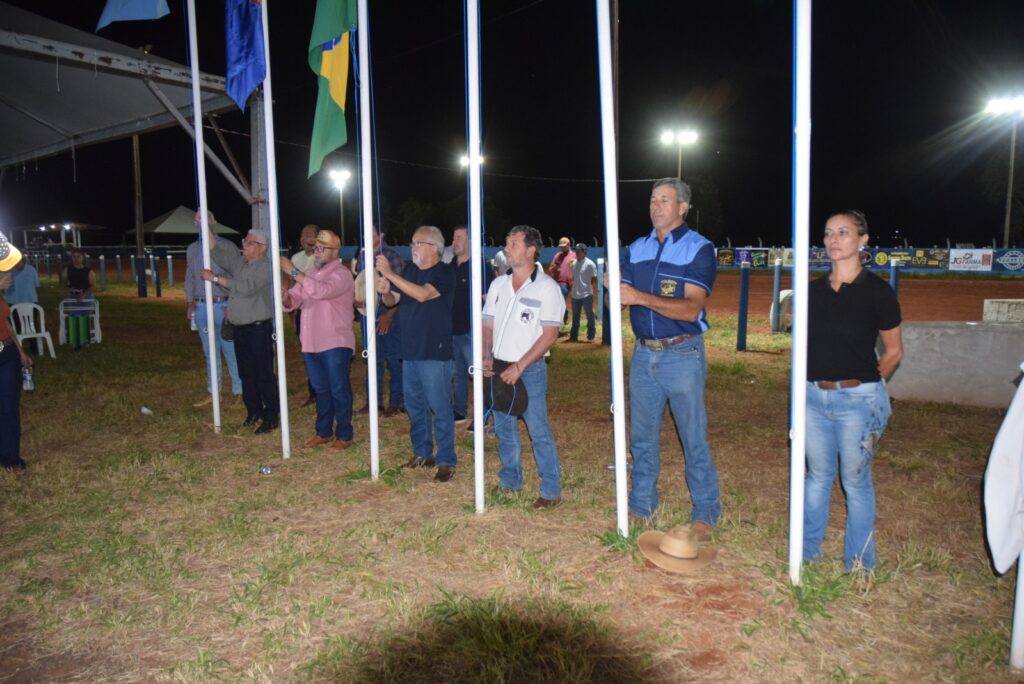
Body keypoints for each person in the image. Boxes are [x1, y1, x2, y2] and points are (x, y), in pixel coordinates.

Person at [804, 210, 903, 572]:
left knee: (855, 481)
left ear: (863, 240)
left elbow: (894, 352)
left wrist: (867, 388)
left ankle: (859, 563)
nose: (834, 239)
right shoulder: (812, 291)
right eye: (829, 232)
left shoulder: (878, 292)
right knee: (816, 477)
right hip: (813, 398)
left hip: (858, 401)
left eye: (844, 232)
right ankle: (806, 554)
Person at [620, 178, 720, 536]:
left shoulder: (699, 248)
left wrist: (638, 296)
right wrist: (612, 292)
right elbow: (621, 295)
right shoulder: (635, 248)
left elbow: (692, 310)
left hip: (682, 353)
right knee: (641, 438)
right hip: (644, 355)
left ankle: (706, 511)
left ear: (682, 208)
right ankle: (642, 504)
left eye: (665, 200)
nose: (656, 205)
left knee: (692, 437)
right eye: (652, 199)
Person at [482, 225, 565, 509]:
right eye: (507, 242)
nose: (507, 248)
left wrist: (520, 365)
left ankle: (551, 490)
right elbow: (487, 324)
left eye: (514, 243)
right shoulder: (497, 285)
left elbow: (550, 334)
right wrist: (485, 356)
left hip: (529, 370)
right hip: (499, 365)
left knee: (537, 430)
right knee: (504, 428)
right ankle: (510, 480)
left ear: (530, 250)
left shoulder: (547, 288)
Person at [375, 226, 457, 482]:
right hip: (410, 350)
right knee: (415, 407)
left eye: (417, 243)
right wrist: (386, 290)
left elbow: (422, 295)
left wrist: (390, 273)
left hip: (434, 351)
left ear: (434, 247)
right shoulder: (410, 270)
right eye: (412, 242)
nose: (412, 247)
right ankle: (422, 452)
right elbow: (393, 302)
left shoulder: (445, 272)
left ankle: (446, 459)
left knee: (439, 406)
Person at [281, 229, 356, 451]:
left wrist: (294, 272)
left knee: (338, 388)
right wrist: (286, 297)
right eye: (316, 247)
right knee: (320, 389)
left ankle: (345, 433)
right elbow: (296, 298)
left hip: (334, 341)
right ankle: (323, 431)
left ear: (335, 252)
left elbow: (321, 291)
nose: (317, 251)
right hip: (311, 341)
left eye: (322, 248)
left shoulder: (341, 274)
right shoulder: (310, 273)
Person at [202, 227, 279, 434]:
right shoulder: (241, 264)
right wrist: (205, 226)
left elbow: (246, 287)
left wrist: (216, 279)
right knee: (247, 374)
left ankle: (271, 415)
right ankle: (253, 411)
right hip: (240, 330)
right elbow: (217, 252)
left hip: (258, 329)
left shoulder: (266, 267)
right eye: (244, 240)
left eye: (249, 242)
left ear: (261, 248)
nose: (244, 244)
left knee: (263, 373)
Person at [185, 215, 242, 407]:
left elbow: (237, 277)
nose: (201, 222)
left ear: (214, 221)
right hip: (202, 307)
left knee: (230, 349)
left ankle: (239, 390)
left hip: (223, 305)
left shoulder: (227, 246)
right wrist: (190, 303)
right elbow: (190, 278)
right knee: (210, 351)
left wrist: (232, 304)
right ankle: (214, 391)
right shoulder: (192, 249)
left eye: (206, 218)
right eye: (198, 219)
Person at [353, 230, 405, 416]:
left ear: (382, 235)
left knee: (393, 359)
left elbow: (400, 289)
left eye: (371, 231)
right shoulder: (363, 256)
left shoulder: (392, 256)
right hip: (368, 315)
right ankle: (373, 403)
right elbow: (360, 284)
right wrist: (357, 301)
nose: (366, 234)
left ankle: (397, 403)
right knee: (372, 361)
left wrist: (390, 314)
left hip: (388, 314)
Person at [450, 225, 490, 423]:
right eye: (454, 237)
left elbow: (489, 299)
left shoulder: (480, 266)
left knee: (478, 374)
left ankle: (482, 414)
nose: (454, 241)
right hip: (452, 330)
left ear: (470, 242)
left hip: (472, 331)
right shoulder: (450, 266)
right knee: (457, 373)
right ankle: (460, 410)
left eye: (458, 237)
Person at [0, 236, 30, 471]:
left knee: (9, 408)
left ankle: (10, 458)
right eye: (6, 273)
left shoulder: (1, 296)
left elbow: (6, 324)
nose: (10, 277)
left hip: (7, 354)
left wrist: (20, 351)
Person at [291, 224, 320, 407]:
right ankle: (314, 392)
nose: (304, 238)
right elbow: (292, 285)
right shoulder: (295, 258)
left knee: (323, 352)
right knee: (308, 352)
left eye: (309, 234)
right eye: (302, 234)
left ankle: (323, 390)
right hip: (302, 312)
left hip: (320, 311)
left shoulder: (322, 257)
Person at [568, 243, 597, 342]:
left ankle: (591, 336)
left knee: (590, 316)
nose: (577, 252)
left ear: (584, 252)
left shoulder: (590, 264)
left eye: (579, 250)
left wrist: (592, 293)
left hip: (586, 294)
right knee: (575, 316)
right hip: (575, 294)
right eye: (576, 250)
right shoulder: (574, 263)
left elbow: (594, 279)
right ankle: (573, 336)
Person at [548, 236, 573, 323]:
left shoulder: (574, 256)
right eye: (561, 246)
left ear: (569, 245)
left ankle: (560, 321)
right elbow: (550, 270)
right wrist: (554, 267)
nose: (562, 248)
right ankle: (562, 318)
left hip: (566, 284)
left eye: (564, 246)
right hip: (556, 283)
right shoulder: (557, 256)